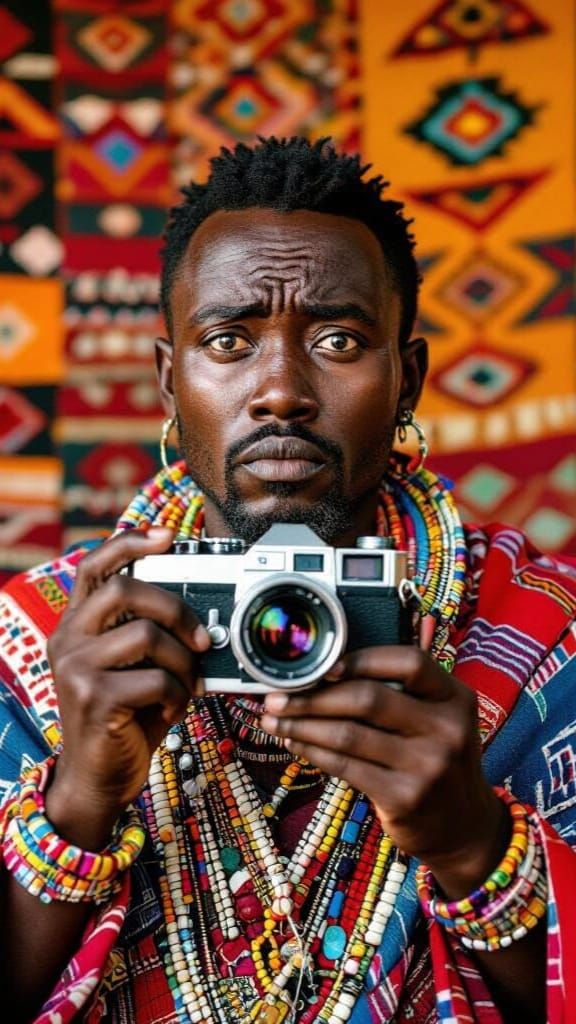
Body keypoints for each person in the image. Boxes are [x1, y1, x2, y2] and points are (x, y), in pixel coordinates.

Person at [0, 137, 574, 1024]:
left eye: (340, 339)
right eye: (227, 339)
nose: (280, 392)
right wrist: (77, 797)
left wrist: (474, 845)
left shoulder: (546, 635)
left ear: (405, 378)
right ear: (169, 380)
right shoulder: (42, 642)